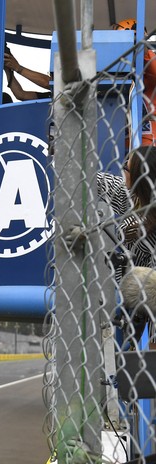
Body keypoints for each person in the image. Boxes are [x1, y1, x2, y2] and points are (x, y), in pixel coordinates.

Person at [97, 145, 156, 344]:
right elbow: (96, 180)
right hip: (129, 292)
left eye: (126, 166)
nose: (122, 169)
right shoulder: (128, 196)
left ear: (141, 176)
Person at [112, 18, 156, 147]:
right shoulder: (117, 68)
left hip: (149, 134)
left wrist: (139, 45)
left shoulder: (149, 59)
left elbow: (148, 59)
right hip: (123, 137)